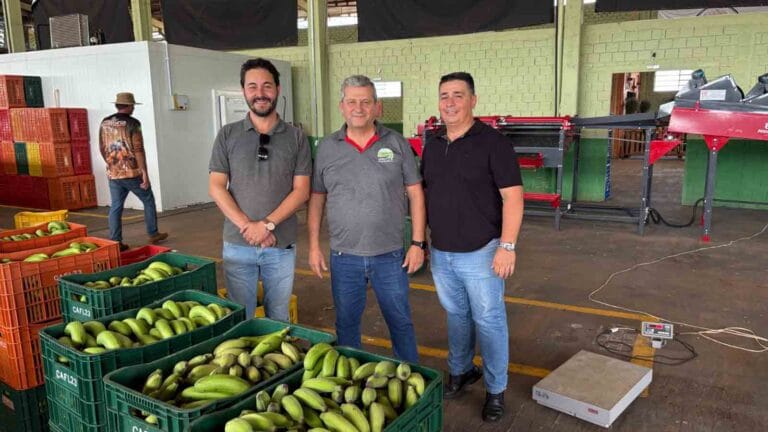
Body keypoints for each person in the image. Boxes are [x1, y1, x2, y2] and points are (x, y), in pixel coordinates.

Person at [421, 72, 524, 422]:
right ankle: (461, 370)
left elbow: (513, 198)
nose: (450, 102)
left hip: (482, 252)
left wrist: (507, 246)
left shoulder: (494, 143)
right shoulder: (433, 144)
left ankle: (496, 389)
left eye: (458, 95)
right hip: (442, 251)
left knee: (489, 320)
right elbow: (426, 193)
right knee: (457, 316)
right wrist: (422, 242)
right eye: (444, 96)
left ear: (473, 100)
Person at [308, 75, 425, 363]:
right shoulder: (327, 147)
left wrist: (418, 243)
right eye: (351, 102)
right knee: (346, 324)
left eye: (365, 102)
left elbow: (416, 193)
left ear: (377, 107)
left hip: (390, 255)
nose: (358, 108)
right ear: (342, 106)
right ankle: (352, 377)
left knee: (400, 322)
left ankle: (410, 375)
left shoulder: (396, 143)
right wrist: (313, 246)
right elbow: (317, 197)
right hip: (343, 256)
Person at [209, 58, 311, 321]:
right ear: (243, 91)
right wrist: (249, 227)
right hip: (237, 243)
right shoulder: (227, 135)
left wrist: (266, 225)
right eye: (252, 86)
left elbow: (301, 191)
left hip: (280, 243)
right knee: (241, 317)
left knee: (278, 316)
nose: (260, 93)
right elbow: (216, 186)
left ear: (278, 89)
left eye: (267, 86)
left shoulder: (296, 137)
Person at [99, 92, 168, 252]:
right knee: (148, 199)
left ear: (117, 105)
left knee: (116, 206)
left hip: (113, 172)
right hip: (131, 172)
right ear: (130, 106)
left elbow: (102, 147)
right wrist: (144, 172)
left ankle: (116, 241)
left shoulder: (105, 122)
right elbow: (138, 149)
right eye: (132, 106)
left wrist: (111, 164)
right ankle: (153, 233)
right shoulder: (133, 123)